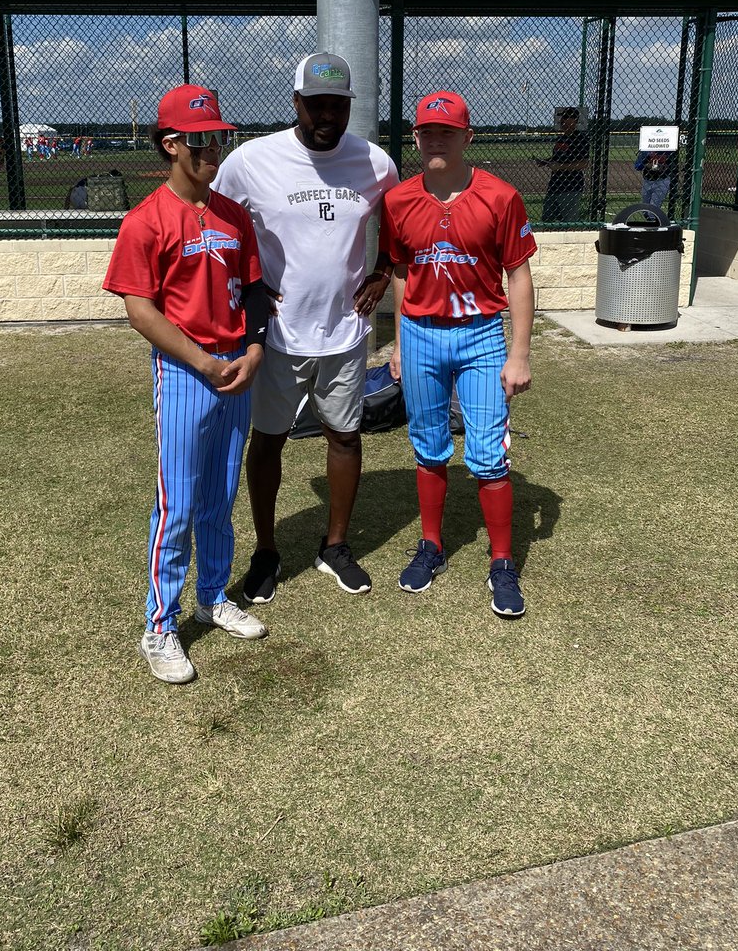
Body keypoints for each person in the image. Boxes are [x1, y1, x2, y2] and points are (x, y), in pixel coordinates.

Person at [102, 84, 272, 685]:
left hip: (237, 367)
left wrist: (253, 349)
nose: (214, 149)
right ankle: (160, 625)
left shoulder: (231, 213)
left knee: (220, 494)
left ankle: (211, 595)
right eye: (202, 140)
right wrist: (203, 362)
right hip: (185, 371)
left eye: (221, 137)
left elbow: (254, 289)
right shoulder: (145, 220)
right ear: (171, 144)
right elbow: (140, 309)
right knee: (177, 502)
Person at [214, 52, 399, 601]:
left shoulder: (375, 162)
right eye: (315, 105)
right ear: (295, 103)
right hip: (276, 333)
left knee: (346, 434)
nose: (326, 117)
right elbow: (216, 222)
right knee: (268, 439)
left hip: (345, 329)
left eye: (337, 107)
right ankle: (267, 550)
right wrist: (250, 283)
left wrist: (384, 270)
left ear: (348, 107)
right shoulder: (253, 160)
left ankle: (335, 546)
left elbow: (401, 218)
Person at [381, 90, 537, 617]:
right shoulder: (399, 200)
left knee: (489, 455)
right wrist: (399, 344)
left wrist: (519, 353)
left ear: (468, 137)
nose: (436, 139)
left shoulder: (500, 196)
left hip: (480, 335)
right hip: (422, 333)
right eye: (427, 131)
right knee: (427, 446)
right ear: (417, 138)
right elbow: (402, 273)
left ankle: (501, 561)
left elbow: (518, 274)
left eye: (448, 130)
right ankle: (432, 545)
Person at [536, 106, 589, 222]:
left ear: (574, 120)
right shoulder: (561, 138)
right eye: (562, 118)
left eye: (566, 118)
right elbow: (558, 157)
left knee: (569, 221)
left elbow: (583, 163)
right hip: (555, 185)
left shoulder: (580, 139)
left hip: (571, 186)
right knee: (547, 219)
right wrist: (546, 161)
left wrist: (560, 167)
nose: (562, 121)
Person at [634, 144, 674, 211]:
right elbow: (637, 166)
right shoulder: (646, 151)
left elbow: (672, 165)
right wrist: (647, 165)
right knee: (645, 211)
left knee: (652, 211)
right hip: (647, 181)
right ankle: (654, 220)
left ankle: (657, 220)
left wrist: (663, 167)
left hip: (662, 180)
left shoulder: (668, 149)